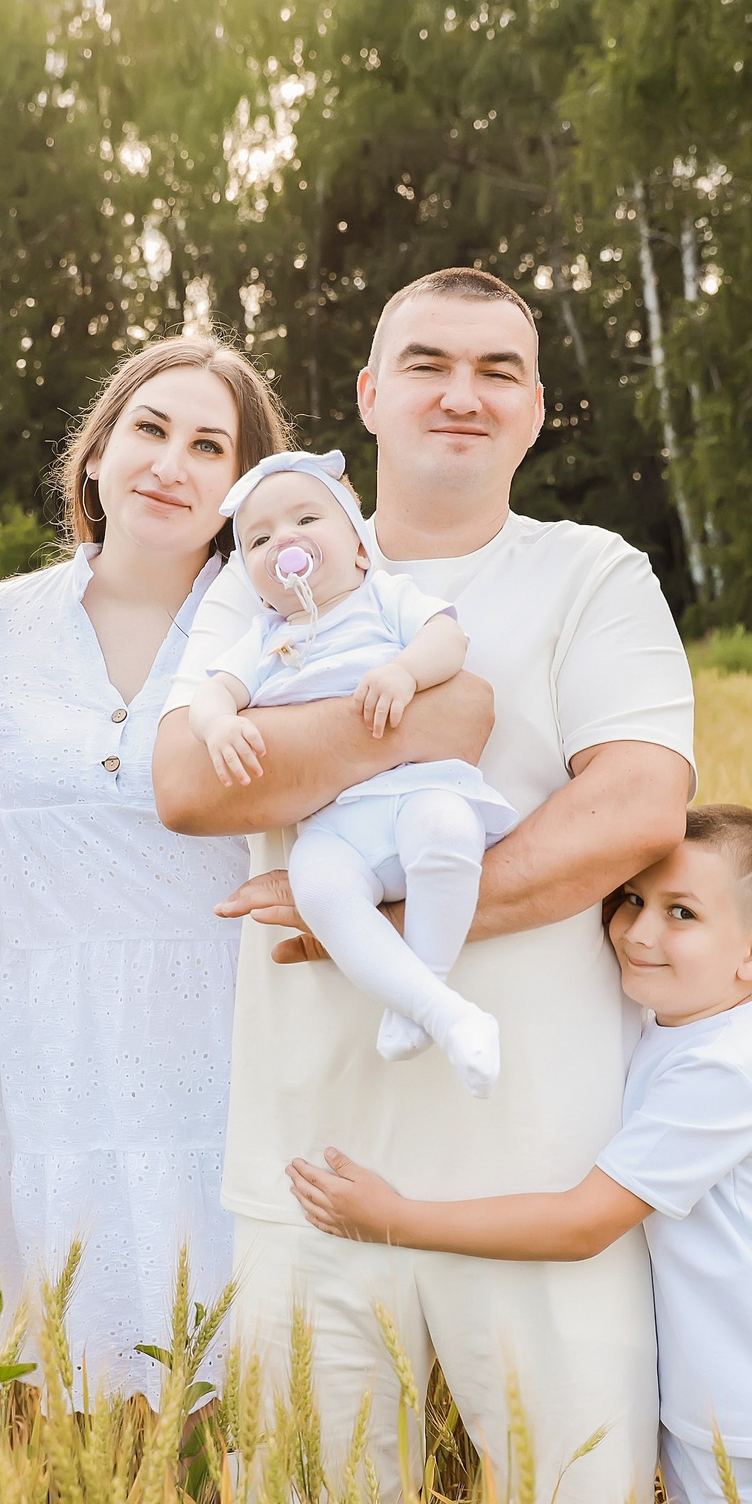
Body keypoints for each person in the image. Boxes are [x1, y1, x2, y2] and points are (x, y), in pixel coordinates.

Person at [153, 267, 697, 1504]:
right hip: (306, 1160)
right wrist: (437, 722)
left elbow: (634, 804)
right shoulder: (252, 575)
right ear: (367, 397)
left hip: (541, 1167)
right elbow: (191, 786)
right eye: (429, 361)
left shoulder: (589, 574)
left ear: (534, 411)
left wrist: (376, 929)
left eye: (498, 369)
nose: (463, 391)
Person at [0, 335, 495, 1403]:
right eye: (149, 430)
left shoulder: (284, 626)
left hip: (227, 1031)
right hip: (45, 1045)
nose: (171, 464)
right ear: (95, 455)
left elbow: (444, 718)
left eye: (209, 445)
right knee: (56, 1369)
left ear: (245, 489)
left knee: (241, 1377)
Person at [285, 806, 752, 1504]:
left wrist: (395, 1219)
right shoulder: (672, 1028)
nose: (639, 930)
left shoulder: (730, 1070)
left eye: (682, 912)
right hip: (722, 1416)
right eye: (629, 899)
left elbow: (581, 1223)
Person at [187, 448, 514, 1096]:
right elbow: (209, 693)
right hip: (335, 827)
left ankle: (423, 989)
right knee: (320, 889)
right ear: (254, 580)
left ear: (360, 546)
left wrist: (403, 671)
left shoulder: (385, 596)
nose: (285, 539)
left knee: (448, 833)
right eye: (259, 538)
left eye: (307, 517)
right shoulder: (265, 638)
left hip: (416, 790)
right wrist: (220, 724)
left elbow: (448, 640)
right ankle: (446, 1012)